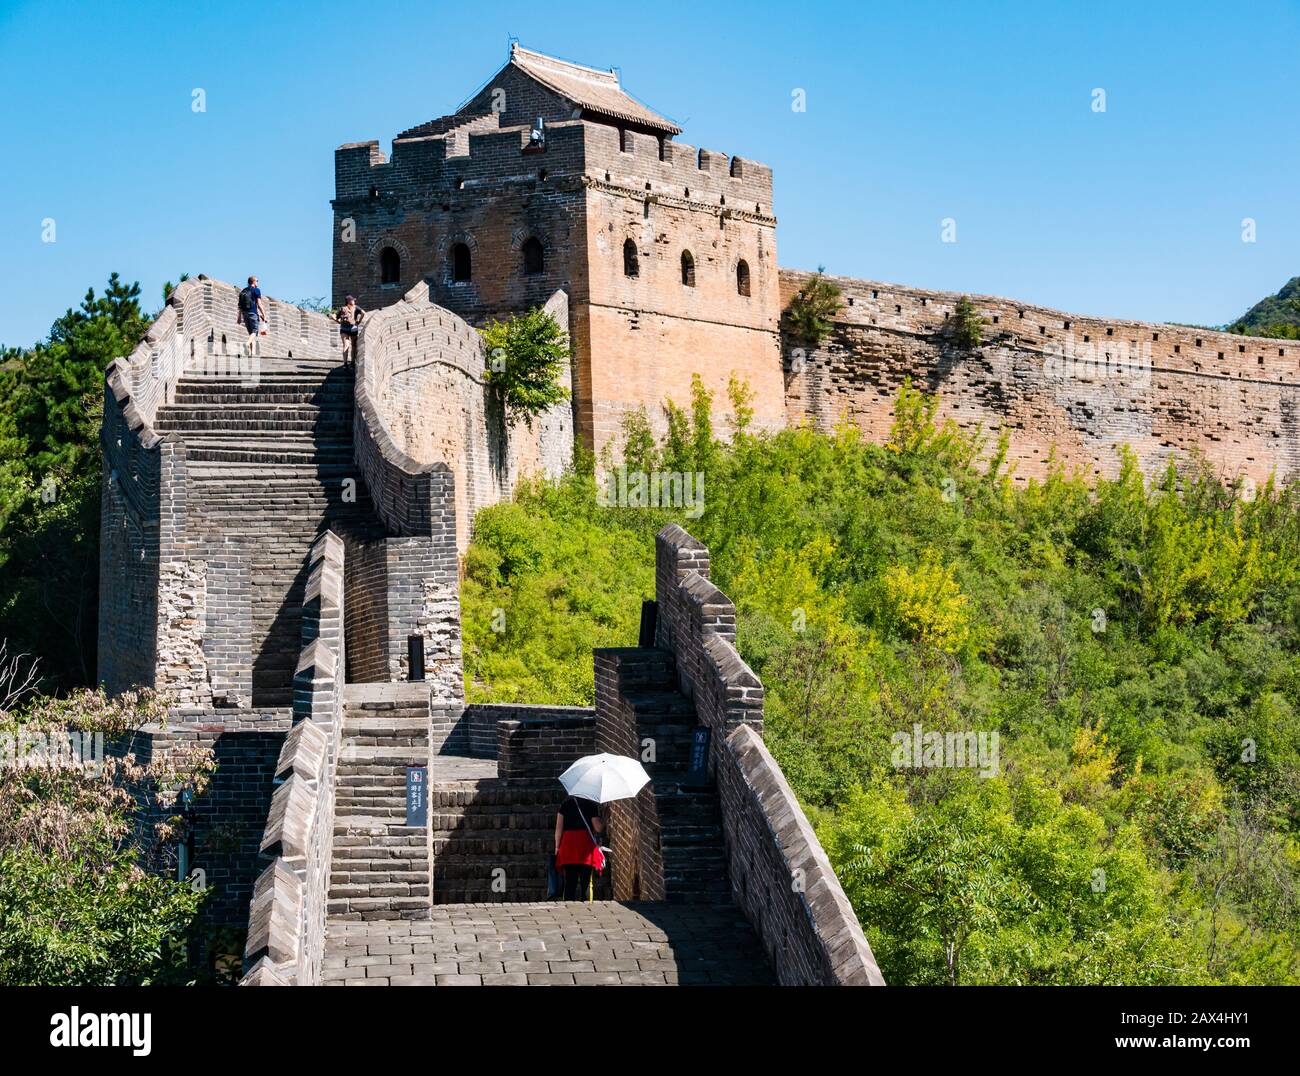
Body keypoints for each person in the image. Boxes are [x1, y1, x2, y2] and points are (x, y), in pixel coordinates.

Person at [554, 794, 604, 901]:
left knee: (570, 881)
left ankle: (568, 904)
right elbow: (598, 828)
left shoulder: (565, 805)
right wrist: (605, 819)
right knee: (586, 881)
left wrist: (557, 847)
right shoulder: (591, 806)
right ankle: (586, 904)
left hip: (568, 846)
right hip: (586, 847)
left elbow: (558, 829)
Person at [237, 276, 267, 356]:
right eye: (257, 281)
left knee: (251, 334)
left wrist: (239, 317)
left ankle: (251, 353)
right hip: (252, 313)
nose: (257, 282)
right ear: (253, 281)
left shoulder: (243, 291)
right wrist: (264, 314)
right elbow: (259, 304)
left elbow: (240, 305)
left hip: (244, 313)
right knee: (254, 332)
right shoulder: (256, 290)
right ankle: (246, 344)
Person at [335, 294, 365, 364]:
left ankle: (345, 363)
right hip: (353, 329)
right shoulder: (356, 307)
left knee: (346, 345)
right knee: (353, 345)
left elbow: (337, 318)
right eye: (352, 300)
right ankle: (352, 362)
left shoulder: (342, 308)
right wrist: (359, 321)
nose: (354, 301)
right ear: (349, 301)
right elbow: (363, 313)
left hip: (344, 329)